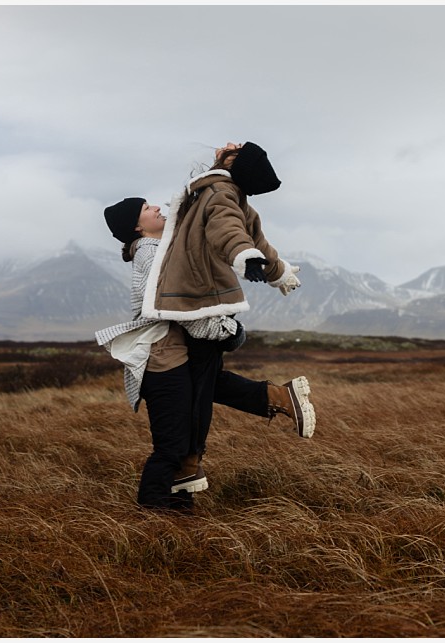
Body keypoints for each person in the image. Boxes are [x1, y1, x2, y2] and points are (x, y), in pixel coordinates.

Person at [95, 153, 314, 510]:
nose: (158, 208)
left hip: (174, 353)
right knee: (171, 447)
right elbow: (174, 307)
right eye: (147, 208)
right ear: (137, 226)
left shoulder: (162, 247)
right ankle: (150, 516)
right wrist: (225, 330)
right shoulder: (152, 254)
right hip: (160, 358)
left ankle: (277, 400)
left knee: (200, 401)